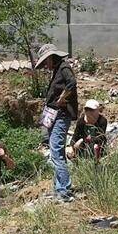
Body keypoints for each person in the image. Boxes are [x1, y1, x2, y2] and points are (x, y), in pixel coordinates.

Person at [36, 44, 78, 202]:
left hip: (61, 114)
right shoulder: (57, 69)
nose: (46, 65)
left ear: (51, 57)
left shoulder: (64, 67)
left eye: (46, 61)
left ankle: (64, 190)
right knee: (57, 152)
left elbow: (72, 83)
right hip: (55, 115)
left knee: (56, 151)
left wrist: (62, 98)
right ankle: (60, 186)